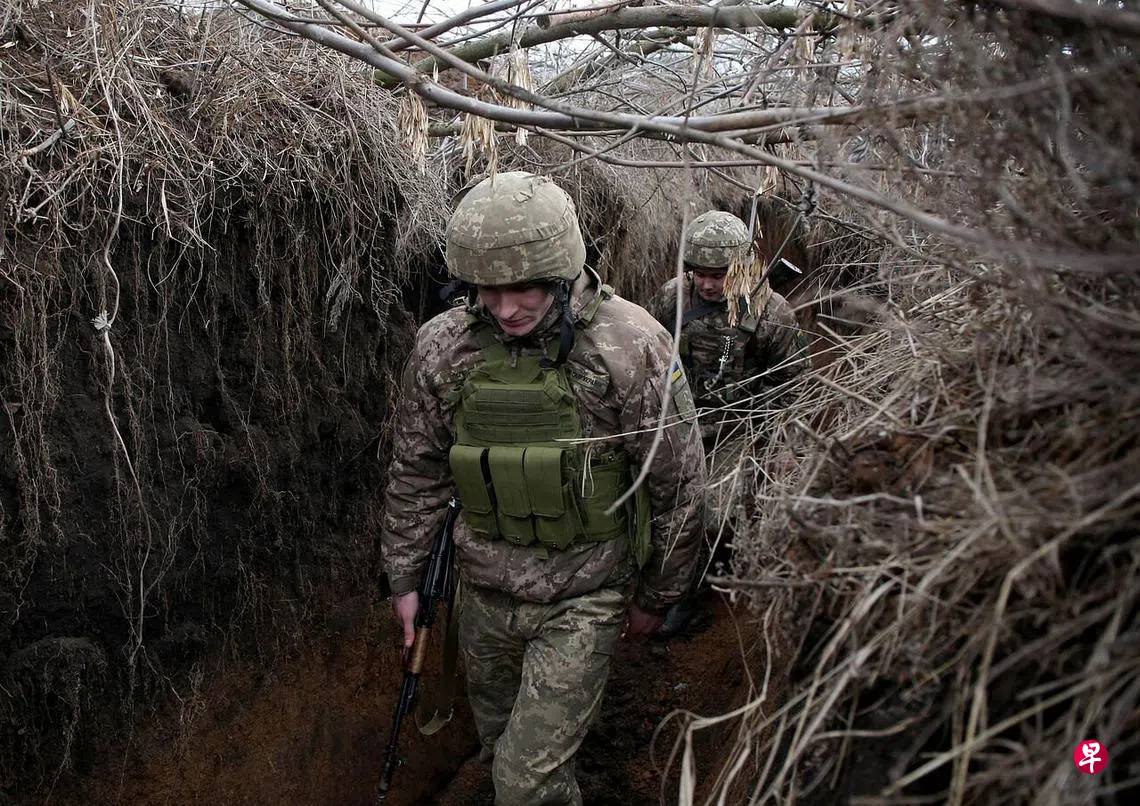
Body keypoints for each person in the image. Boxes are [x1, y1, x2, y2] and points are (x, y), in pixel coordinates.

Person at [380, 171, 706, 806]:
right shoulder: (443, 349)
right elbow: (417, 471)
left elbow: (678, 483)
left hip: (584, 596)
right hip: (483, 595)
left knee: (525, 784)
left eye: (524, 287)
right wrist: (405, 580)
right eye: (489, 289)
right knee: (503, 746)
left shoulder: (629, 345)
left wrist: (659, 593)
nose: (506, 308)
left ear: (561, 271)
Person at [646, 210, 809, 635]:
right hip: (680, 419)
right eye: (699, 273)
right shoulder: (671, 299)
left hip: (738, 428)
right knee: (657, 502)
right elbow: (648, 357)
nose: (707, 283)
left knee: (710, 514)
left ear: (741, 269)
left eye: (718, 274)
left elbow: (793, 388)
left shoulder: (773, 313)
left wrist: (783, 446)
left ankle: (696, 593)